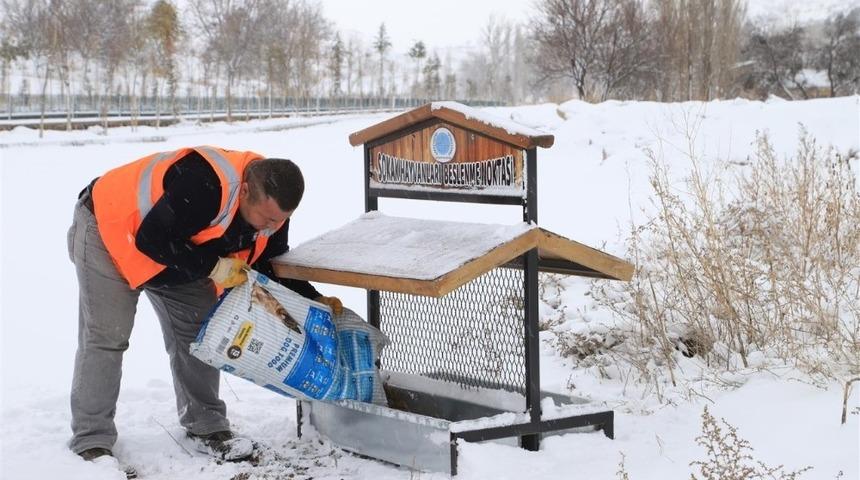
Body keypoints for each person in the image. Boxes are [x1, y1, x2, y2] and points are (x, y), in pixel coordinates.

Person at [67, 146, 342, 465]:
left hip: (177, 250)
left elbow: (269, 264)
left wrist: (313, 298)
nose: (272, 227)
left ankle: (206, 425)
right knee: (107, 337)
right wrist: (213, 267)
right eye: (268, 219)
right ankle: (92, 440)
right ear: (246, 191)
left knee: (200, 332)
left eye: (280, 221)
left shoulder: (273, 213)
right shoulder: (204, 184)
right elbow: (151, 239)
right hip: (110, 231)